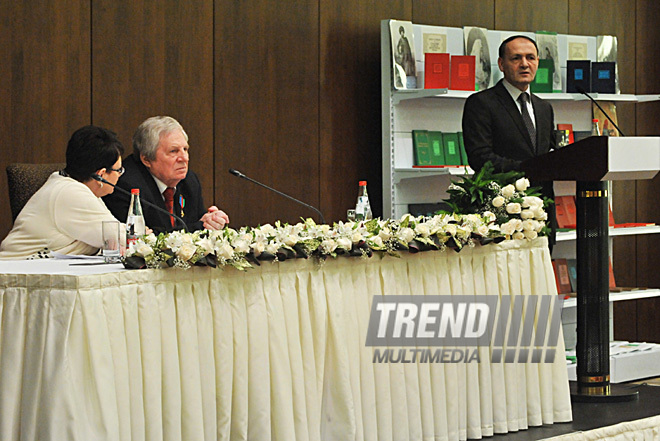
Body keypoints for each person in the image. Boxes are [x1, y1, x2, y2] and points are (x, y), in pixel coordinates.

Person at [462, 35, 556, 243]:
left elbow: (549, 154)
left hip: (542, 214)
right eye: (516, 58)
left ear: (538, 62)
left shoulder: (544, 108)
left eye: (530, 57)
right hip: (502, 214)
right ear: (501, 64)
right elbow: (480, 158)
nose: (524, 64)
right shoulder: (481, 103)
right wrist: (528, 169)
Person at [0, 126, 125, 259]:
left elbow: (112, 238)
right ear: (101, 174)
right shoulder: (70, 193)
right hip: (17, 272)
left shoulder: (73, 185)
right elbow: (120, 238)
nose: (120, 175)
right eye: (119, 170)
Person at [103, 116, 229, 233]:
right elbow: (144, 239)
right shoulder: (125, 185)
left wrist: (211, 221)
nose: (183, 158)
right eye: (173, 151)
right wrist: (199, 227)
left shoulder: (189, 181)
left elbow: (198, 222)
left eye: (185, 149)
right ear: (146, 159)